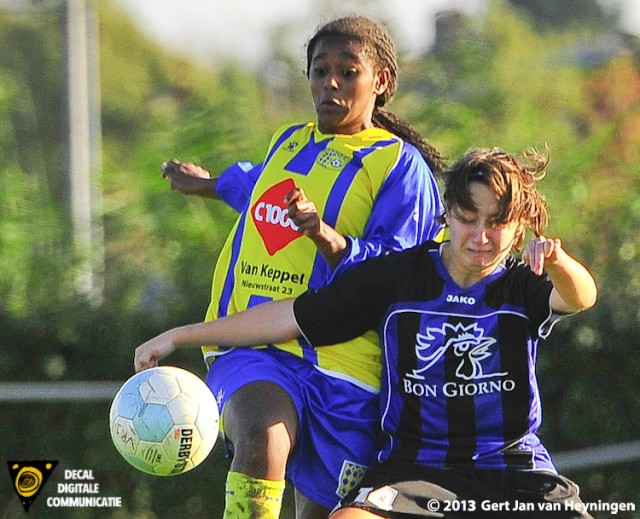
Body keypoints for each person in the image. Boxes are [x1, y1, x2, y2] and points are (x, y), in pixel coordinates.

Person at [135, 147, 598, 518]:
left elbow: (580, 296)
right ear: (447, 216)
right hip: (417, 469)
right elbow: (290, 317)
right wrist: (181, 335)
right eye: (468, 218)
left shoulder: (523, 285)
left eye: (496, 223)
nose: (480, 235)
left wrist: (556, 260)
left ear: (518, 231)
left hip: (513, 467)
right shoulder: (398, 278)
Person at [159, 15, 446, 519]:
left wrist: (322, 235)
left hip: (349, 371)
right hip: (255, 346)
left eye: (347, 70)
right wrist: (206, 184)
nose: (330, 82)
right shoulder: (289, 141)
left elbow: (397, 272)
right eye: (319, 70)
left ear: (381, 82)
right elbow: (258, 190)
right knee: (263, 441)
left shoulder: (399, 167)